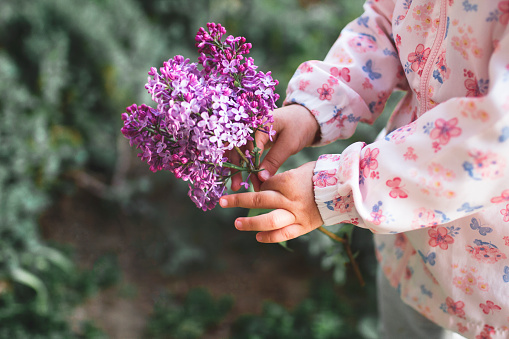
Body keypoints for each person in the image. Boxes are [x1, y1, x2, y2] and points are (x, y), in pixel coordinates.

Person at [219, 0, 509, 338]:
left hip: (488, 292)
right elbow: (388, 23)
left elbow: (495, 139)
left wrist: (336, 189)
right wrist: (315, 106)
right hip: (411, 255)